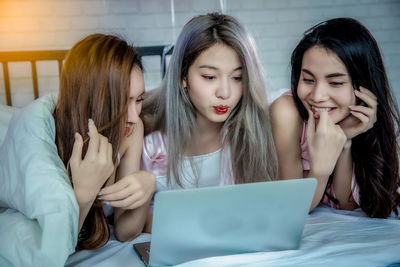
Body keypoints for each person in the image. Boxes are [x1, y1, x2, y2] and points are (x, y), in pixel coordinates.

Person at [132, 12, 279, 234]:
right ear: (182, 76)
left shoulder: (253, 131)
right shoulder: (148, 138)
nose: (225, 93)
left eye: (237, 78)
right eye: (210, 77)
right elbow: (129, 223)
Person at [270, 17, 400, 217]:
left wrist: (344, 140)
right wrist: (320, 169)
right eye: (308, 79)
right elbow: (293, 207)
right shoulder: (287, 112)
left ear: (364, 86)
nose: (317, 96)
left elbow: (346, 204)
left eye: (335, 83)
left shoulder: (357, 121)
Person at [54, 34, 156, 247]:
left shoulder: (132, 130)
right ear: (92, 100)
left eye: (139, 100)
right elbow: (51, 249)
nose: (134, 117)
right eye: (122, 102)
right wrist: (83, 196)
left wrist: (147, 186)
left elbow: (125, 232)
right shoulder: (49, 139)